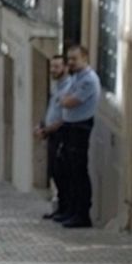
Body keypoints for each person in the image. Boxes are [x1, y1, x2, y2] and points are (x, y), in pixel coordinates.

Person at [55, 44, 100, 228]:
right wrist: (64, 99)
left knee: (78, 171)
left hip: (80, 128)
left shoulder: (88, 80)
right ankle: (70, 210)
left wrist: (65, 99)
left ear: (85, 58)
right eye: (69, 59)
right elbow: (62, 98)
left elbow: (69, 101)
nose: (71, 62)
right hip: (70, 126)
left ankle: (82, 214)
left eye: (75, 59)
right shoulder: (76, 78)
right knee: (69, 171)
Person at [35, 54, 70, 220]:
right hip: (51, 133)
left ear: (65, 68)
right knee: (54, 172)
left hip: (61, 134)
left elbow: (65, 117)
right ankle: (60, 207)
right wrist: (42, 125)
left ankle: (66, 209)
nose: (53, 70)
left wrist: (47, 130)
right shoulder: (56, 86)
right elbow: (52, 110)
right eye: (52, 66)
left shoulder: (69, 87)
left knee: (63, 172)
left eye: (57, 67)